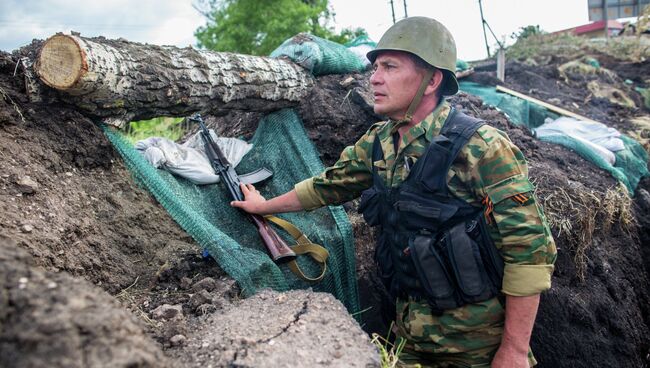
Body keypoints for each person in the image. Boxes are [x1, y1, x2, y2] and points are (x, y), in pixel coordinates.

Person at [231, 16, 556, 368]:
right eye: (374, 67)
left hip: (477, 348)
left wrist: (514, 350)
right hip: (407, 341)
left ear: (432, 80)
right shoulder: (380, 141)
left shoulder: (483, 148)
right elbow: (327, 186)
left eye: (389, 66)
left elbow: (529, 253)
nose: (374, 77)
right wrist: (264, 207)